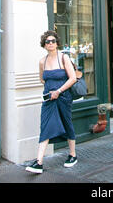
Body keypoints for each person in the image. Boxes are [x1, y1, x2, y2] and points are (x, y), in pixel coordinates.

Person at [26, 30, 77, 174]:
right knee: (45, 125)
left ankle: (73, 155)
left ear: (57, 43)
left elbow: (72, 78)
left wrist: (58, 91)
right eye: (47, 41)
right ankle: (39, 162)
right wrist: (50, 89)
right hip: (48, 98)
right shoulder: (42, 61)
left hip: (63, 96)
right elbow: (42, 79)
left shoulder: (63, 58)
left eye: (53, 41)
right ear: (44, 44)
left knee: (67, 123)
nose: (50, 43)